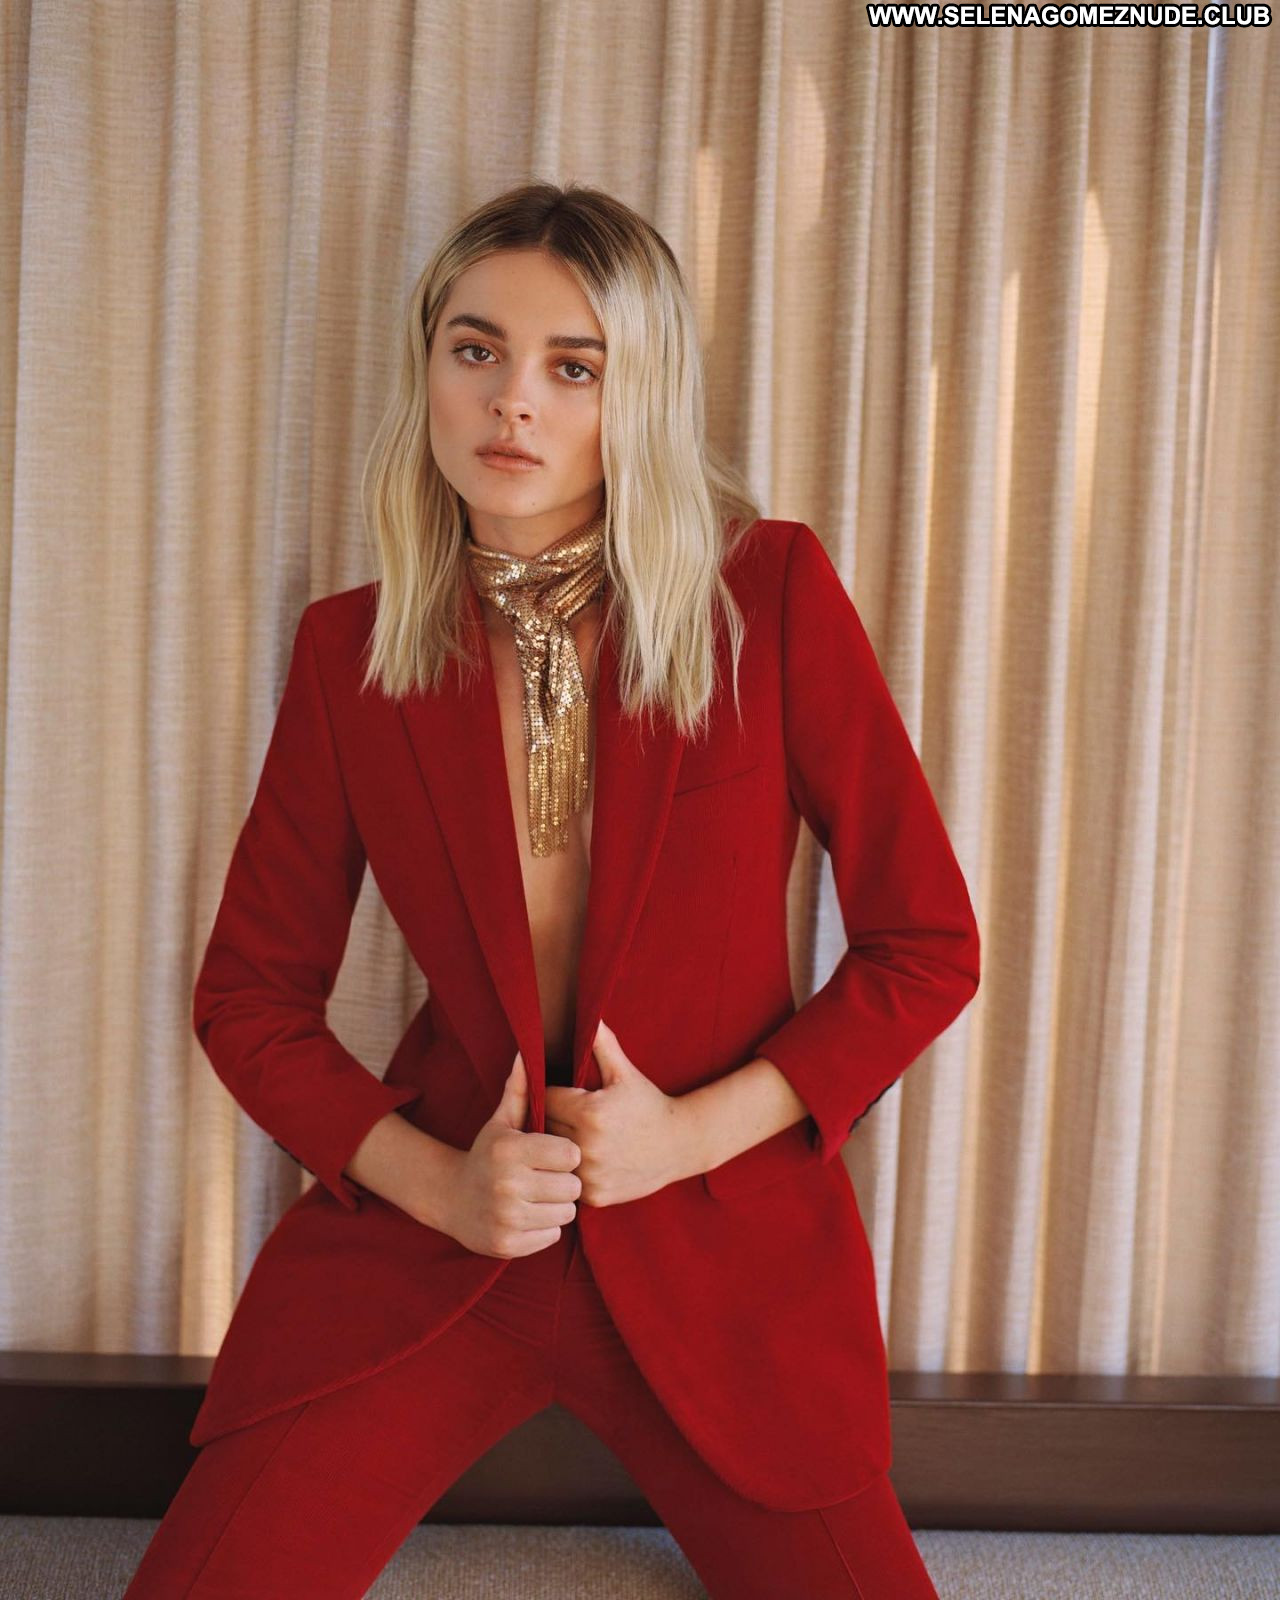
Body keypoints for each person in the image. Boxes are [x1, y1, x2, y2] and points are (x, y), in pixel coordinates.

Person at [123, 180, 979, 1598]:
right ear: (428, 370)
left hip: (719, 1253)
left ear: (637, 392)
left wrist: (690, 1134)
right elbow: (248, 997)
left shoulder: (766, 597)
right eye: (477, 350)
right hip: (441, 1247)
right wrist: (439, 1184)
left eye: (572, 366)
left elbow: (925, 944)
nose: (511, 400)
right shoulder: (350, 653)